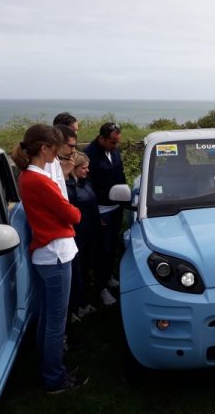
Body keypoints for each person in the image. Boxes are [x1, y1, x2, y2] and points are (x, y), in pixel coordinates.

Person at [11, 124, 88, 393]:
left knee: (47, 317)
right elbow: (72, 215)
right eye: (55, 151)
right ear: (43, 148)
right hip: (56, 254)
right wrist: (72, 210)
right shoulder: (39, 180)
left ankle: (49, 370)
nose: (57, 157)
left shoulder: (27, 177)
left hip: (47, 254)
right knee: (56, 322)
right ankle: (54, 378)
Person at [84, 122, 126, 306]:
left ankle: (108, 277)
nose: (116, 146)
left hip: (116, 207)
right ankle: (101, 288)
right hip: (101, 210)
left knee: (111, 249)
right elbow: (88, 187)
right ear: (101, 138)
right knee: (102, 250)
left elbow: (120, 173)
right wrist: (95, 215)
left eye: (117, 142)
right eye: (112, 142)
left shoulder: (114, 151)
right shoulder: (89, 155)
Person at [66, 152, 99, 322]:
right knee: (76, 277)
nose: (87, 171)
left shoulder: (86, 182)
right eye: (84, 168)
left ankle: (82, 304)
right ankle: (73, 309)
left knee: (86, 271)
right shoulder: (69, 189)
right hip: (77, 237)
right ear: (74, 168)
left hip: (89, 234)